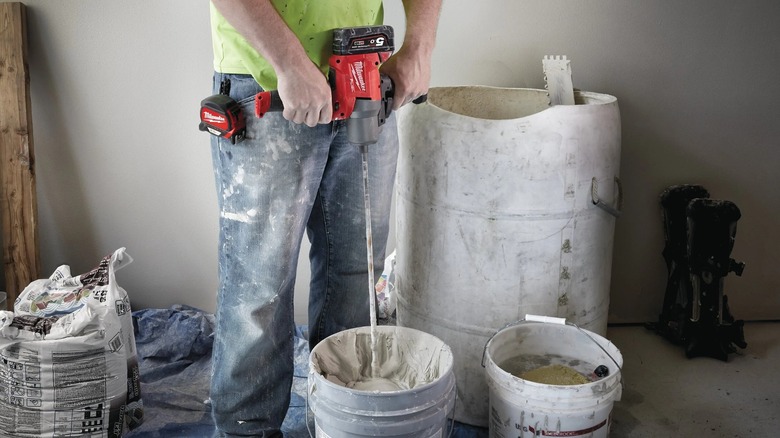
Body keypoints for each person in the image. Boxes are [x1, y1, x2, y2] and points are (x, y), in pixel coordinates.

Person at [206, 1, 442, 436]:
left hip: (367, 75)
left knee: (356, 274)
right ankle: (247, 430)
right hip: (270, 82)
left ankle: (340, 422)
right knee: (259, 288)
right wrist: (290, 62)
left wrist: (419, 48)